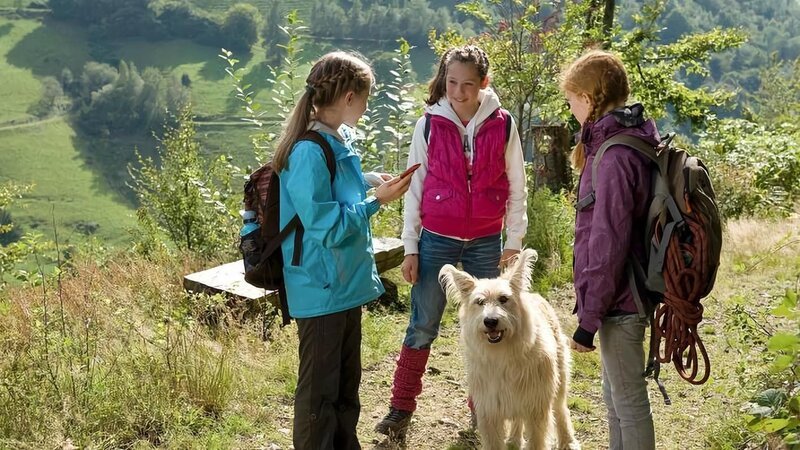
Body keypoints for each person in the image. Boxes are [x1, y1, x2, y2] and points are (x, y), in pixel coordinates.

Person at [375, 44, 528, 437]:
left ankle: (485, 411)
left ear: (484, 84)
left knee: (489, 329)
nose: (458, 91)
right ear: (444, 80)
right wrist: (411, 247)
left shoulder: (503, 123)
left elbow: (516, 185)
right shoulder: (428, 123)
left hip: (485, 242)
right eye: (452, 82)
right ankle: (400, 409)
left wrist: (513, 240)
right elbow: (414, 188)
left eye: (468, 84)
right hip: (436, 240)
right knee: (422, 326)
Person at [274, 51, 412, 450]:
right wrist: (376, 202)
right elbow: (327, 227)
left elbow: (335, 190)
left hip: (343, 284)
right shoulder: (307, 151)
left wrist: (369, 180)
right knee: (319, 395)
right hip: (320, 288)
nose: (366, 107)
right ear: (349, 97)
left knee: (346, 386)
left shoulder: (335, 140)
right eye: (366, 98)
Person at [561, 49, 658, 450]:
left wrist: (590, 318)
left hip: (621, 298)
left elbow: (608, 244)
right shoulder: (624, 143)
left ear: (589, 98)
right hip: (622, 295)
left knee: (629, 403)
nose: (570, 108)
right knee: (616, 398)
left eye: (571, 99)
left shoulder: (614, 157)